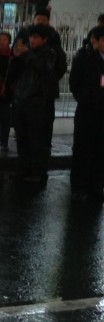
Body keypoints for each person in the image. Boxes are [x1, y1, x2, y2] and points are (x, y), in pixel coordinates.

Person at [9, 23, 59, 186]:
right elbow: (14, 72)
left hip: (37, 102)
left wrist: (27, 54)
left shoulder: (49, 53)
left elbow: (44, 69)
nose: (32, 40)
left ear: (44, 39)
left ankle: (38, 171)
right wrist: (16, 56)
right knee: (22, 137)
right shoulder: (26, 53)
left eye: (36, 37)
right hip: (21, 99)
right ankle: (23, 167)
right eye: (31, 37)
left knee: (36, 139)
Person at [68, 25, 104, 203]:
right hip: (87, 110)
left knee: (100, 151)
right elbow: (74, 81)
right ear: (94, 40)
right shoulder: (85, 57)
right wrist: (85, 99)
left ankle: (97, 186)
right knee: (83, 149)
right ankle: (79, 187)